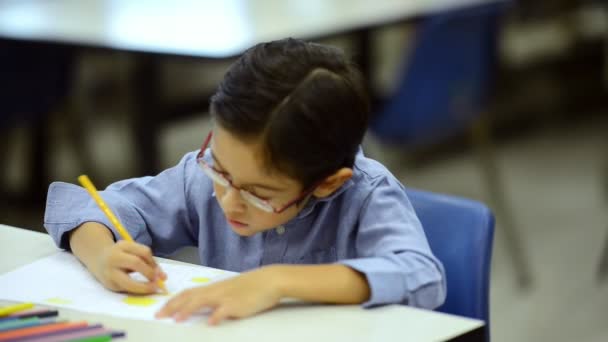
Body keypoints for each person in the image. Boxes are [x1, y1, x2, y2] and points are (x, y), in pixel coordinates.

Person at [44, 38, 446, 325]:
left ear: (326, 183)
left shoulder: (365, 195)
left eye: (259, 194)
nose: (227, 200)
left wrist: (278, 281)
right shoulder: (208, 178)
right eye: (219, 168)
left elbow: (421, 277)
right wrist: (100, 254)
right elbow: (85, 205)